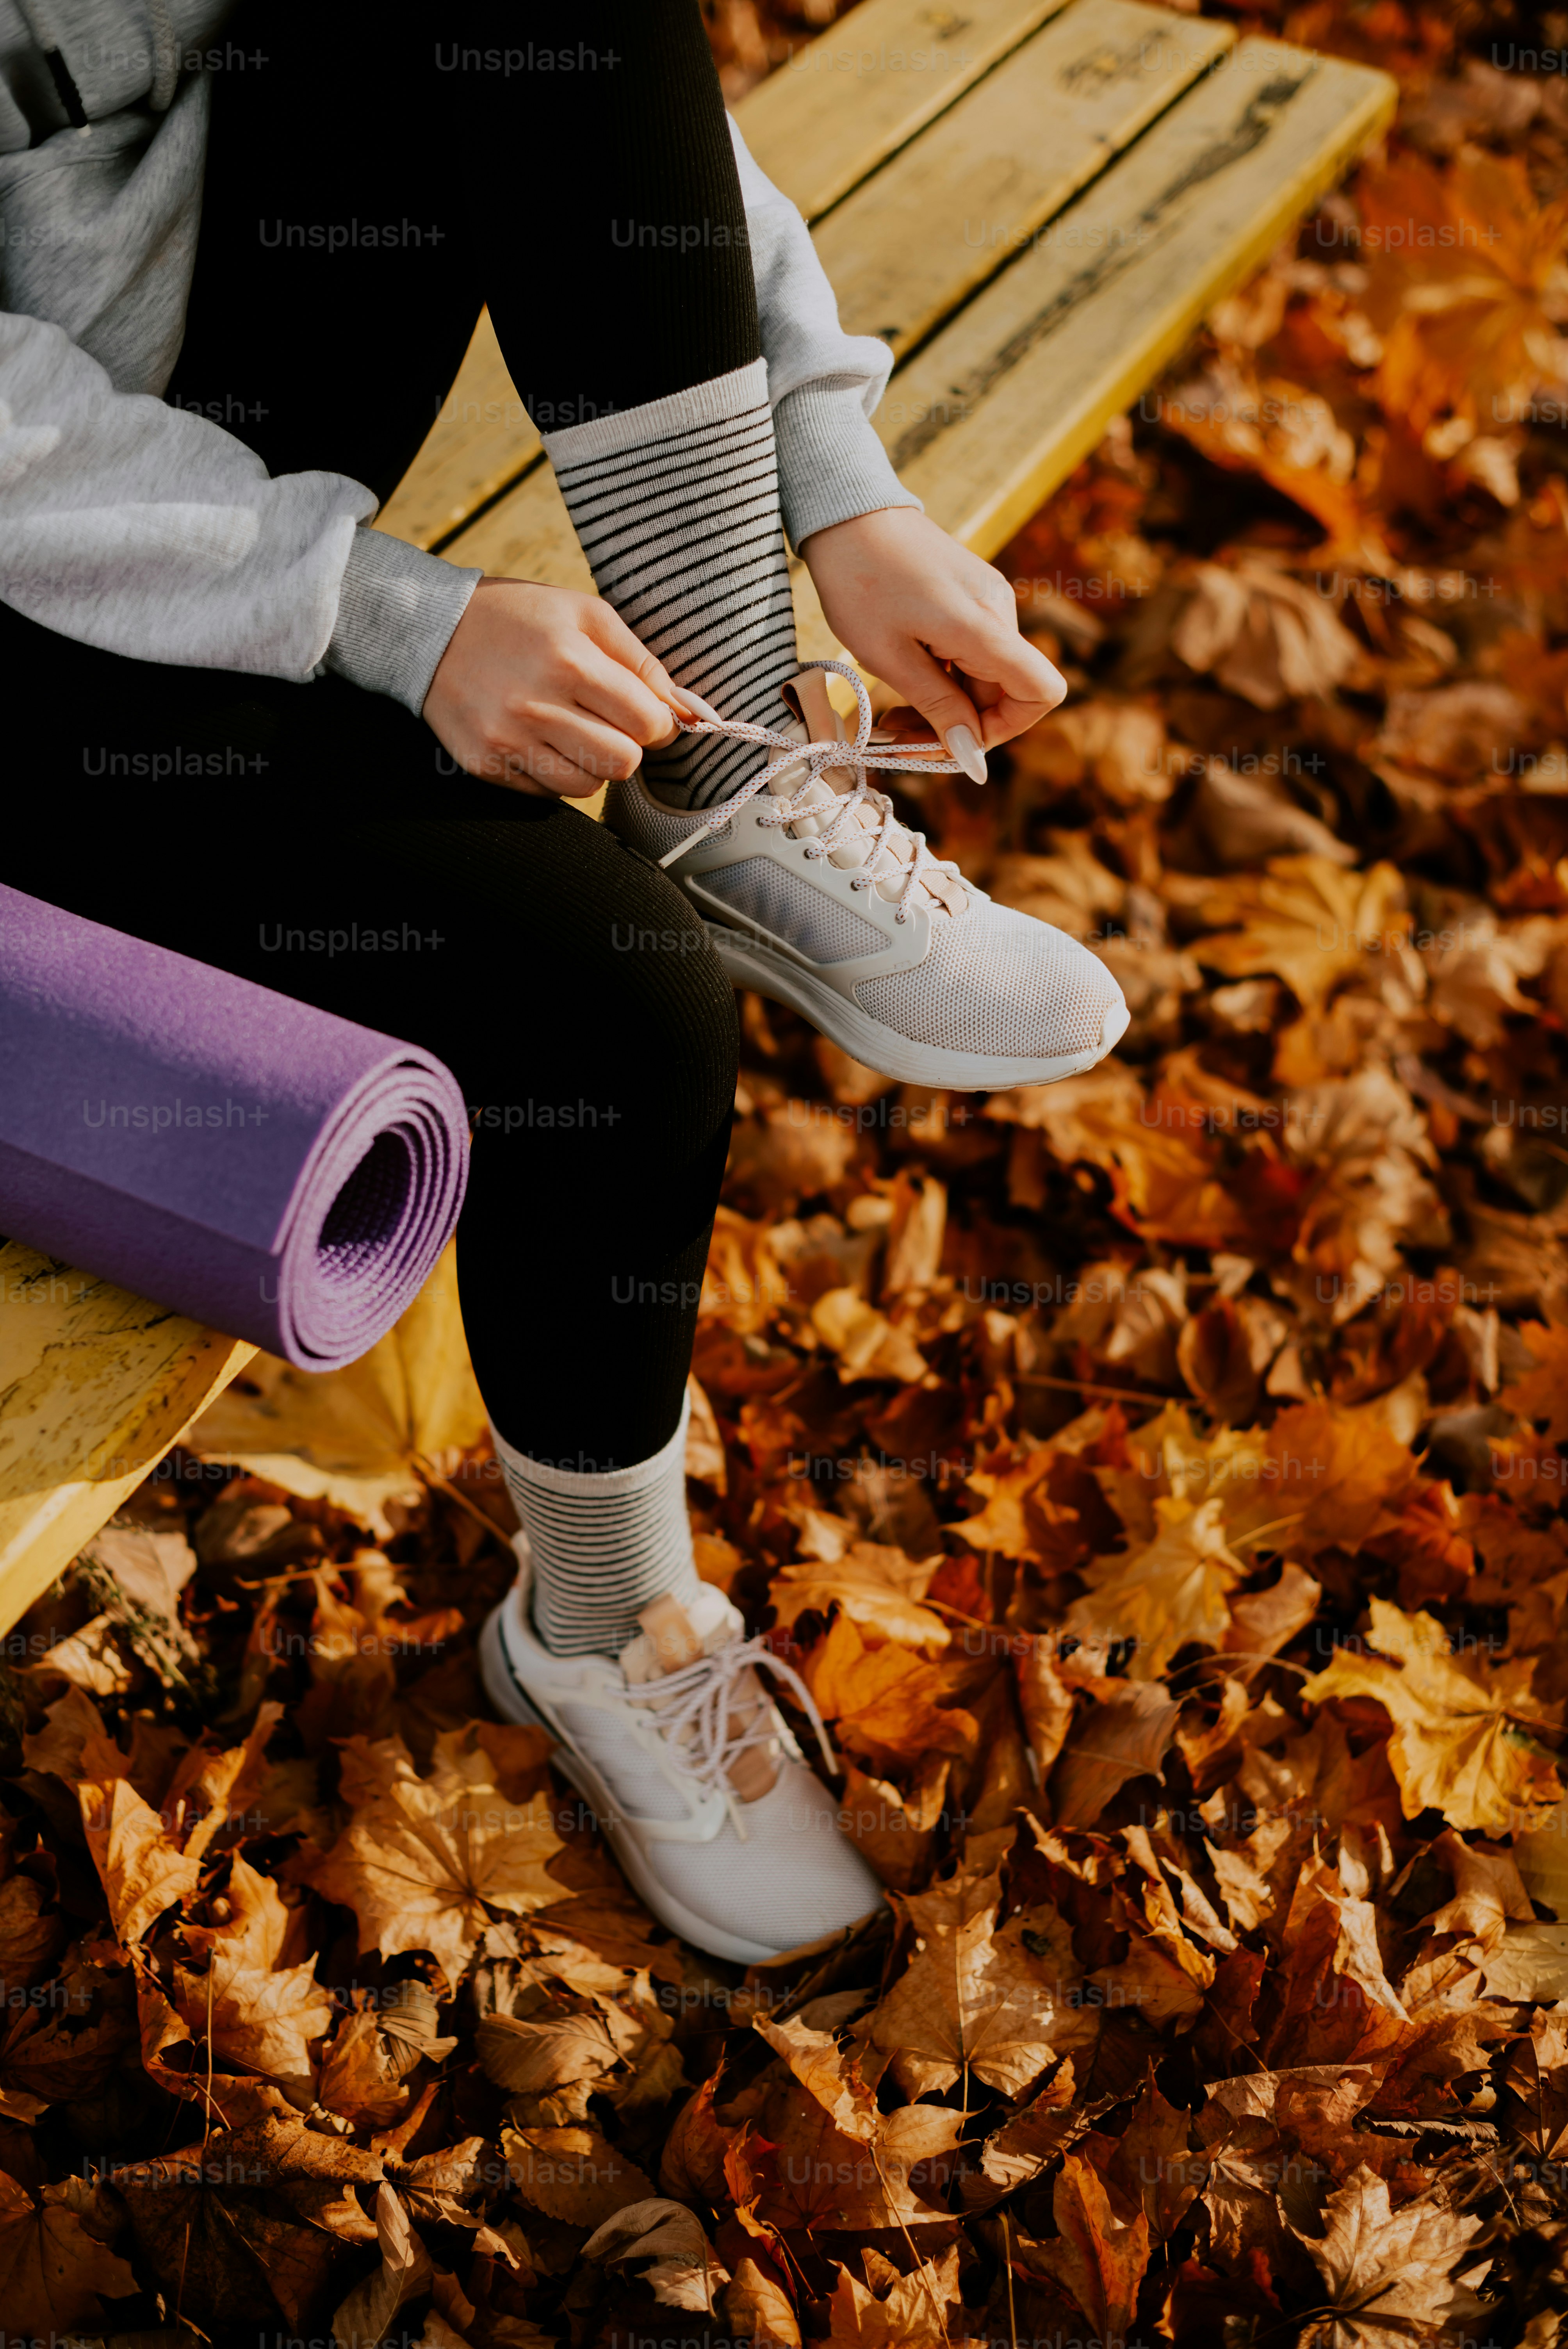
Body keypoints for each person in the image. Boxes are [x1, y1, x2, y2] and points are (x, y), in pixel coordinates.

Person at [0, 0, 1126, 1961]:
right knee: (612, 995)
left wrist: (837, 483)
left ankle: (726, 768)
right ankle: (602, 1626)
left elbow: (609, 108)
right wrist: (394, 618)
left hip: (217, 448)